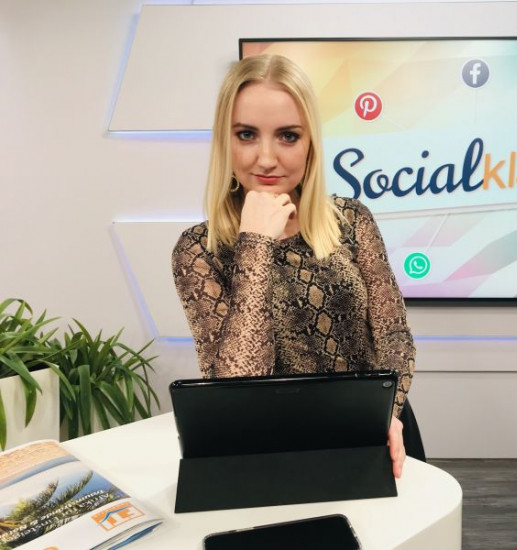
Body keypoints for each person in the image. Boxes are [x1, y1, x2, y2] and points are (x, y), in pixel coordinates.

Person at [171, 54, 424, 478]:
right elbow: (235, 388)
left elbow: (394, 334)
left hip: (378, 430)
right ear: (224, 141)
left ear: (310, 144)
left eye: (288, 136)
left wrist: (388, 413)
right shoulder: (199, 249)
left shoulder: (351, 220)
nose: (266, 158)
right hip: (276, 449)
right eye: (247, 134)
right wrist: (256, 243)